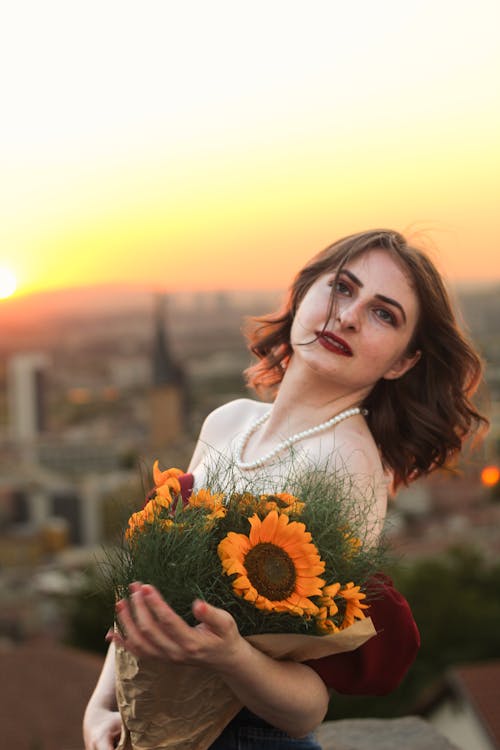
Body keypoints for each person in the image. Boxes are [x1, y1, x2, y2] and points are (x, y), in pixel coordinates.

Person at [83, 229, 487, 750]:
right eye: (342, 288)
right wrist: (101, 706)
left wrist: (229, 655)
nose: (348, 316)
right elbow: (145, 589)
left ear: (402, 362)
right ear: (302, 293)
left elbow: (305, 710)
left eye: (384, 314)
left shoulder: (346, 468)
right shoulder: (229, 421)